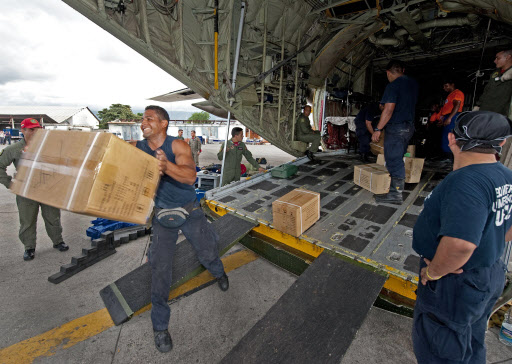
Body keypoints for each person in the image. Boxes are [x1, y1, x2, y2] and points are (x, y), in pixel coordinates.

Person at [412, 111, 512, 364]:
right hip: (488, 274)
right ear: (500, 144)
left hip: (455, 284)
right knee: (470, 341)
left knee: (440, 352)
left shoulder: (467, 181)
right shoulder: (505, 176)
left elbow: (459, 245)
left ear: (451, 139)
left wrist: (434, 271)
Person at [136, 105, 228, 353]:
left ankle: (219, 273)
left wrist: (166, 167)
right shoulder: (139, 147)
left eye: (149, 118)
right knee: (160, 268)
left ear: (164, 123)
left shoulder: (177, 146)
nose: (143, 122)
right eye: (142, 118)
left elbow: (189, 177)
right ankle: (160, 327)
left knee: (207, 250)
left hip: (189, 210)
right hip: (163, 213)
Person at [0, 118, 68, 261]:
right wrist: (10, 184)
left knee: (53, 218)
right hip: (26, 191)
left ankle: (58, 241)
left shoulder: (49, 147)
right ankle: (29, 247)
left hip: (47, 190)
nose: (35, 132)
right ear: (23, 130)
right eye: (31, 129)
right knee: (27, 221)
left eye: (37, 129)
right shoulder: (13, 149)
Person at [371, 59, 419, 204]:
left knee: (393, 159)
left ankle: (395, 195)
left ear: (388, 72)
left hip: (397, 127)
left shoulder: (393, 86)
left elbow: (389, 109)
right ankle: (396, 191)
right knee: (398, 157)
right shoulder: (413, 84)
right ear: (402, 70)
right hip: (409, 127)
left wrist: (378, 129)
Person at [431, 80, 465, 154]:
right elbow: (447, 110)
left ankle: (450, 157)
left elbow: (457, 105)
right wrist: (443, 119)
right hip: (448, 116)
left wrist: (449, 118)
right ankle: (446, 156)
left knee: (450, 137)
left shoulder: (457, 93)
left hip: (453, 116)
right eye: (443, 86)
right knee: (445, 137)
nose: (444, 88)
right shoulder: (450, 95)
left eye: (446, 85)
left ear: (452, 85)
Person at [475, 49, 512, 116]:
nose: (495, 61)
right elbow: (487, 90)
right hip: (485, 111)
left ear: (508, 57)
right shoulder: (495, 73)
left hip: (501, 114)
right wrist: (478, 106)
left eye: (498, 58)